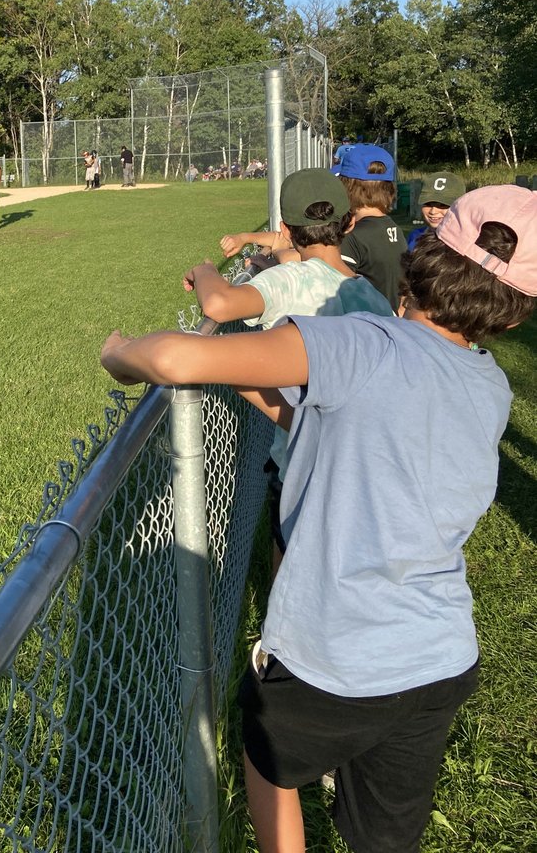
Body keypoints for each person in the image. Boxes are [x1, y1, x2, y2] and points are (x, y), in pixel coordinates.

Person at [102, 185, 537, 853]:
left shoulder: (356, 343)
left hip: (336, 656)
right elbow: (344, 428)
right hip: (439, 659)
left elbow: (173, 358)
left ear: (421, 257)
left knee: (268, 762)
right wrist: (243, 377)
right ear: (511, 317)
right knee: (384, 836)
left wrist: (119, 355)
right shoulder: (487, 385)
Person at [184, 169, 393, 567]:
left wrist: (204, 271)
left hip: (301, 456)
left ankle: (279, 626)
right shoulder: (372, 298)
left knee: (292, 553)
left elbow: (219, 306)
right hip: (358, 456)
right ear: (349, 222)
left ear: (285, 229)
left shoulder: (288, 280)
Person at [333, 142, 404, 311]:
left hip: (365, 329)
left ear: (346, 187)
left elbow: (335, 290)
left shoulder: (353, 236)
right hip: (390, 326)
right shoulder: (395, 229)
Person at [407, 171, 467, 252]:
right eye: (428, 204)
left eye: (442, 205)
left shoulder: (470, 243)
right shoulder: (415, 237)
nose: (433, 211)